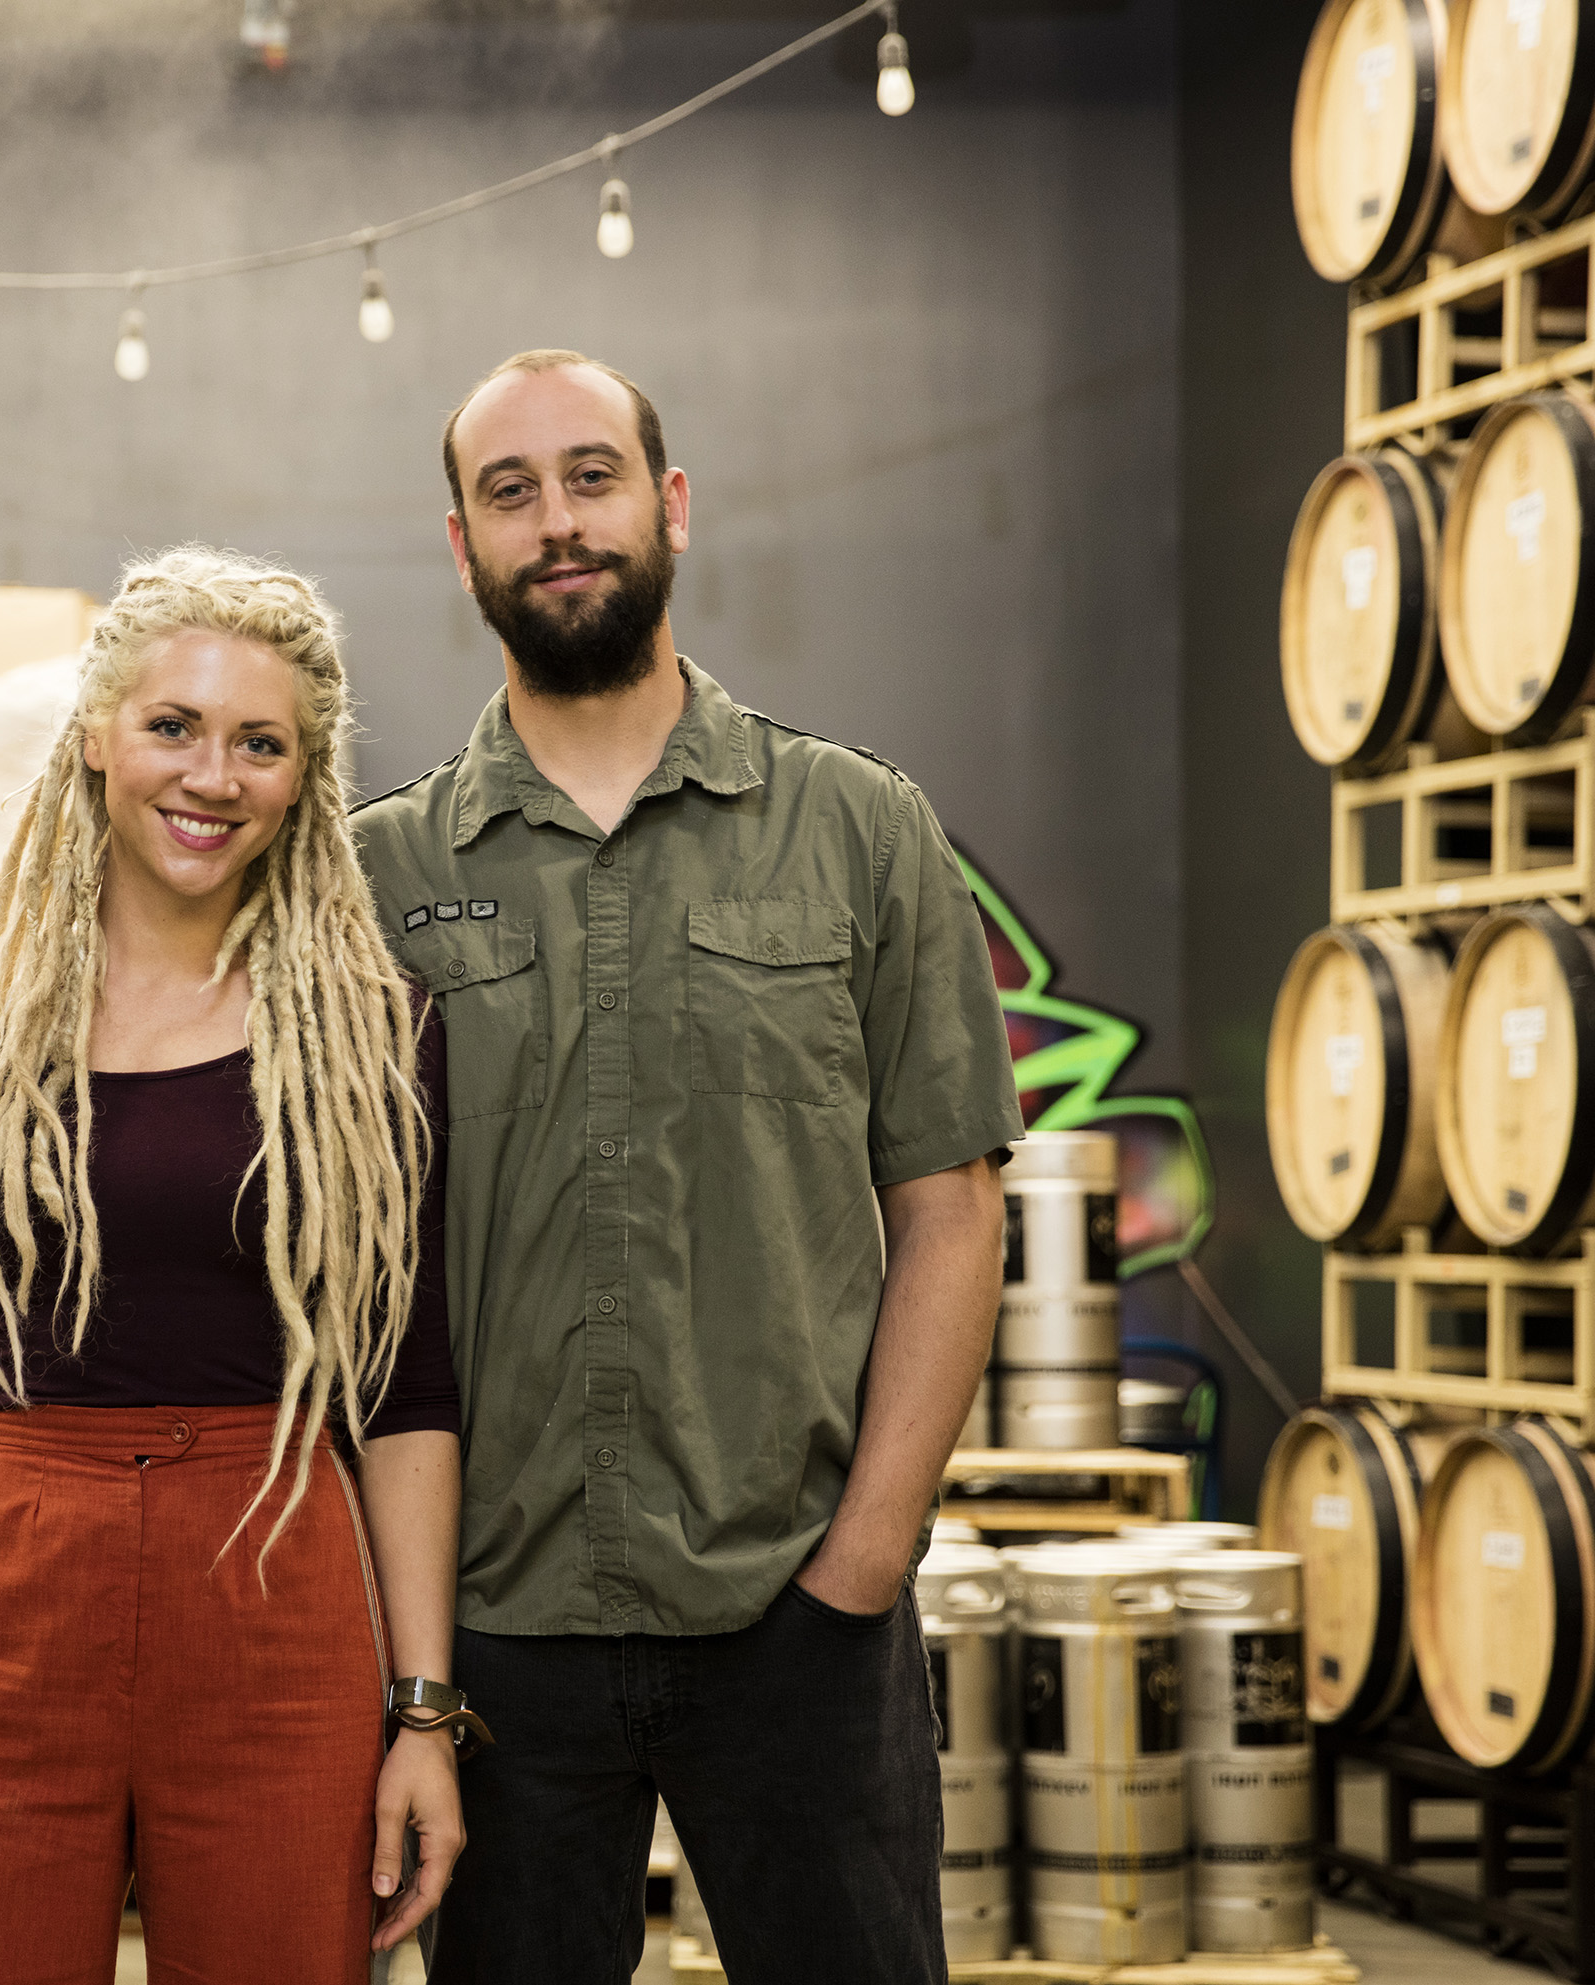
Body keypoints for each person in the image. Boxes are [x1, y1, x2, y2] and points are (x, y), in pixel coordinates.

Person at [353, 350, 1019, 1984]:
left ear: (670, 506)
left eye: (591, 475)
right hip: (495, 1632)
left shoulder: (862, 829)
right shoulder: (377, 874)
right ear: (462, 548)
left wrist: (862, 1562)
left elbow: (951, 1209)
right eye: (508, 492)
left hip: (796, 1610)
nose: (555, 521)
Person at [0, 547, 475, 1982]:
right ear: (97, 736)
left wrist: (421, 1712)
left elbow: (406, 1386)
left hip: (280, 1579)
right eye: (174, 725)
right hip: (15, 1586)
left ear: (305, 779)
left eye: (259, 742)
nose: (211, 775)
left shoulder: (374, 1038)